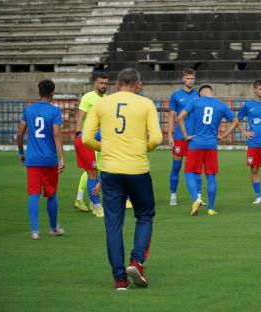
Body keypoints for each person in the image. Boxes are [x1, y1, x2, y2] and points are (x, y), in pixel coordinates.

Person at [82, 68, 162, 290]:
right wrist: (140, 148)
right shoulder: (145, 104)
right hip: (137, 169)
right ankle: (136, 261)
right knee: (145, 216)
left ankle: (119, 279)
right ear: (138, 85)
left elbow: (86, 138)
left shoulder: (101, 104)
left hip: (110, 170)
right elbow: (156, 138)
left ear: (117, 85)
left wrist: (107, 147)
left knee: (113, 225)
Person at [177, 85, 238, 216]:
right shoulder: (221, 105)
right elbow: (235, 121)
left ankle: (196, 199)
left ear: (200, 94)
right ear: (212, 92)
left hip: (195, 143)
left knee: (189, 172)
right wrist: (223, 135)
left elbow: (180, 117)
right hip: (211, 145)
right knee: (211, 176)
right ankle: (211, 208)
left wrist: (186, 136)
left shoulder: (195, 102)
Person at [16, 79, 65, 240]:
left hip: (33, 160)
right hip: (49, 160)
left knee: (33, 194)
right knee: (51, 194)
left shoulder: (29, 110)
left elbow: (19, 133)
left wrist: (21, 153)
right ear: (52, 93)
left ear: (39, 92)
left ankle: (35, 231)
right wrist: (61, 157)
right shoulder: (54, 111)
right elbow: (56, 134)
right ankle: (53, 228)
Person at [74, 73, 109, 217]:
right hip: (88, 139)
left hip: (102, 140)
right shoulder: (88, 97)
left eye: (106, 83)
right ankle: (96, 206)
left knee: (99, 170)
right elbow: (81, 117)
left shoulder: (108, 100)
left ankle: (83, 199)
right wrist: (78, 134)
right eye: (101, 83)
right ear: (96, 83)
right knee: (92, 172)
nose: (104, 86)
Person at [167, 68, 201, 206]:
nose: (190, 81)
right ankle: (173, 195)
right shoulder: (176, 95)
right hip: (180, 136)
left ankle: (198, 197)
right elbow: (171, 115)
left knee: (196, 168)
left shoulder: (198, 95)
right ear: (183, 79)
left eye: (192, 78)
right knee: (176, 166)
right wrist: (170, 134)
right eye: (188, 78)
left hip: (195, 137)